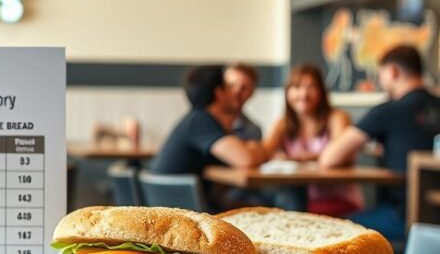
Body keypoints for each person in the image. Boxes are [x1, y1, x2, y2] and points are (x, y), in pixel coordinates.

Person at [320, 45, 440, 242]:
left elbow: (329, 158)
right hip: (435, 218)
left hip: (403, 217)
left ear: (392, 72)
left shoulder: (389, 110)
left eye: (381, 74)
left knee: (337, 226)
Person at [152, 65, 265, 210]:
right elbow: (246, 160)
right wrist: (260, 146)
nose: (235, 92)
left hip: (174, 209)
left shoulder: (197, 119)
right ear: (219, 93)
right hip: (182, 215)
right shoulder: (200, 121)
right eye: (229, 86)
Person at [263, 64, 363, 217]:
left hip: (336, 199)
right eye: (297, 87)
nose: (303, 94)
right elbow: (264, 152)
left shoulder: (336, 118)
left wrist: (301, 158)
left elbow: (343, 153)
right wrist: (276, 156)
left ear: (322, 92)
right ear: (287, 93)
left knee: (288, 213)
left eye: (311, 87)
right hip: (298, 200)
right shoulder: (283, 124)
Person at [224, 63, 262, 141]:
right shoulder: (201, 122)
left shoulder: (253, 131)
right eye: (231, 85)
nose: (236, 92)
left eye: (244, 88)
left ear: (252, 93)